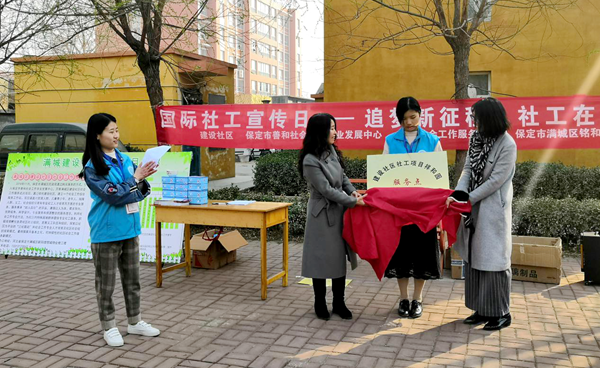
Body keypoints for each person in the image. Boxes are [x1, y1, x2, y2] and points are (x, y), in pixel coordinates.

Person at [79, 113, 160, 347]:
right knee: (106, 283)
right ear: (97, 135)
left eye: (117, 130)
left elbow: (140, 192)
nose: (116, 135)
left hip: (130, 228)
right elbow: (113, 196)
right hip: (106, 232)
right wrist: (135, 179)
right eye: (111, 131)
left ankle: (135, 322)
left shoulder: (124, 159)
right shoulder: (93, 167)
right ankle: (109, 326)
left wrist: (141, 179)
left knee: (133, 280)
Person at [447, 97, 516, 331]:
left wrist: (470, 197)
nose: (473, 122)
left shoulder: (507, 144)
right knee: (475, 259)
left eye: (476, 118)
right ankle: (481, 309)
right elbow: (468, 169)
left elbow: (496, 180)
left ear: (488, 118)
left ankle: (501, 313)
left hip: (493, 208)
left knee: (494, 261)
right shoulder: (476, 139)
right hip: (473, 209)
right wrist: (460, 191)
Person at [298, 113, 367, 320]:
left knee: (338, 259)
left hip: (338, 212)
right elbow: (326, 190)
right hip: (321, 215)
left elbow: (343, 177)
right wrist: (353, 201)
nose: (335, 132)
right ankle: (320, 302)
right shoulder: (310, 160)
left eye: (335, 127)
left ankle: (339, 302)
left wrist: (353, 191)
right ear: (320, 131)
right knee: (319, 261)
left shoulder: (331, 151)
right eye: (331, 128)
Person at [382, 96, 443, 319]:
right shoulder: (390, 141)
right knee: (402, 256)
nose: (409, 122)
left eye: (413, 117)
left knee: (422, 256)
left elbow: (439, 178)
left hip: (424, 211)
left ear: (420, 114)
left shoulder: (432, 141)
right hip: (399, 211)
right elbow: (383, 176)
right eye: (404, 118)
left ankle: (417, 299)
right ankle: (403, 298)